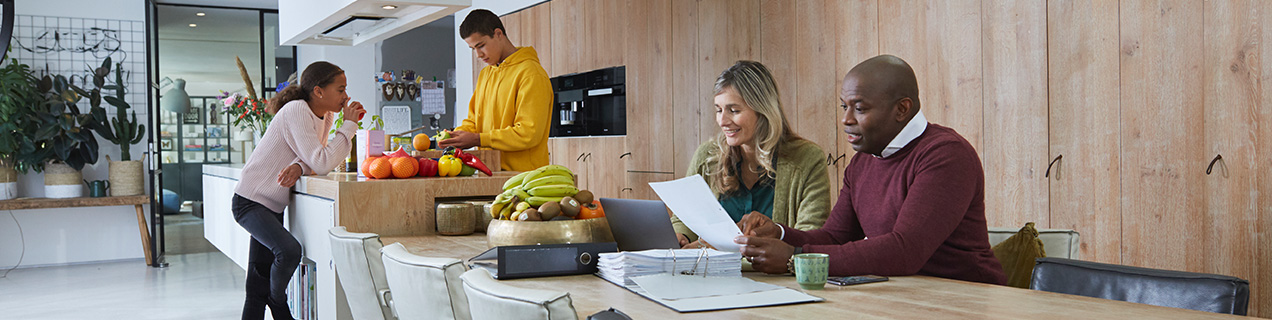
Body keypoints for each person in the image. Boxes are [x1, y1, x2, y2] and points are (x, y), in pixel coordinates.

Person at [734, 55, 1006, 285]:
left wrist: (795, 256)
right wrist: (779, 234)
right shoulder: (863, 160)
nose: (846, 119)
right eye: (844, 106)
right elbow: (834, 237)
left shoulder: (946, 155)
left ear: (902, 109)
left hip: (966, 298)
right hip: (902, 296)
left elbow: (905, 250)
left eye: (860, 108)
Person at [233, 61, 365, 320]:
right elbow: (322, 161)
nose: (346, 96)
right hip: (250, 202)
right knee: (289, 251)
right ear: (318, 91)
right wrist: (348, 126)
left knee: (256, 286)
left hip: (271, 205)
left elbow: (314, 158)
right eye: (340, 90)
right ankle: (278, 300)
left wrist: (298, 166)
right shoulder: (296, 110)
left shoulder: (324, 116)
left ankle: (273, 300)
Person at [671, 60, 831, 248]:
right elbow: (685, 217)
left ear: (763, 110)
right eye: (718, 110)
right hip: (711, 274)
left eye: (734, 110)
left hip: (776, 276)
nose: (722, 121)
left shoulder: (807, 159)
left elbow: (810, 237)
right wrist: (680, 235)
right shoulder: (706, 157)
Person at [440, 9, 553, 171]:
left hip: (524, 178)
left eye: (481, 45)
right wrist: (458, 136)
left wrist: (478, 139)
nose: (478, 54)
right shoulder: (486, 74)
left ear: (498, 34)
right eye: (473, 49)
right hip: (489, 172)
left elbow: (529, 133)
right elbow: (474, 121)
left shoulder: (531, 74)